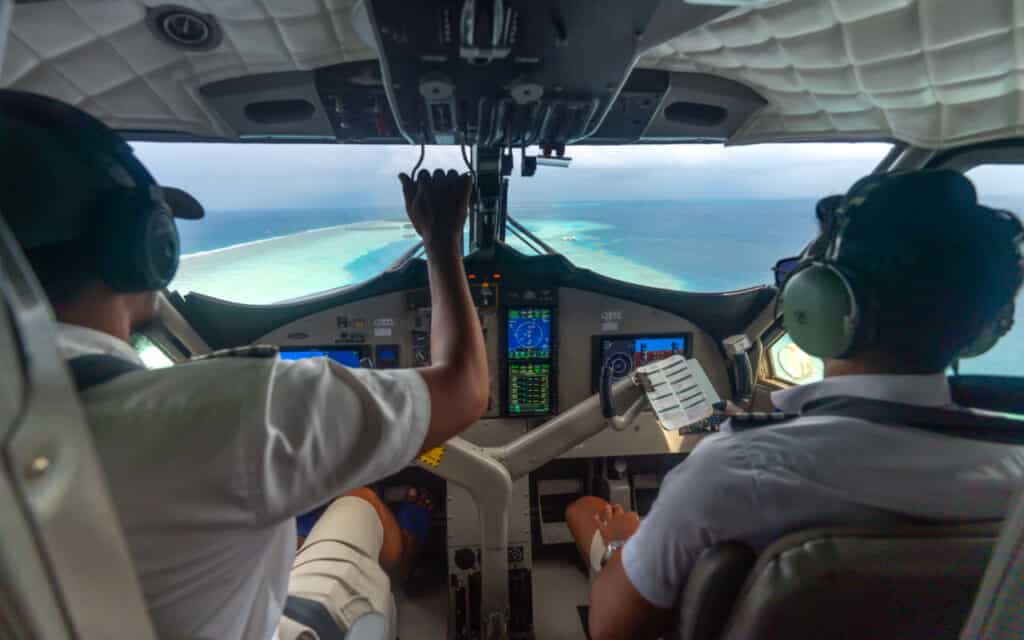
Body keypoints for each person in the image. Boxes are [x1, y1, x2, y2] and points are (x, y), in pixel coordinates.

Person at [0, 90, 488, 640]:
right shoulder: (230, 410)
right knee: (359, 502)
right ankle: (407, 545)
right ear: (141, 247)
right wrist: (443, 241)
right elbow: (465, 387)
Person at [566, 169, 1024, 640]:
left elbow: (612, 626)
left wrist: (616, 539)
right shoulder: (1015, 472)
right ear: (985, 325)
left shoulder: (741, 470)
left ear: (820, 304)